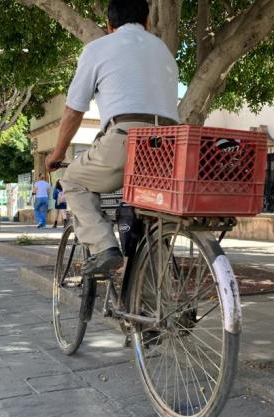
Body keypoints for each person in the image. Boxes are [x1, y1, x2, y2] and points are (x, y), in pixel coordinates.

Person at [45, 0, 179, 274]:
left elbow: (73, 110)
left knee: (72, 180)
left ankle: (104, 246)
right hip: (170, 145)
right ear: (148, 22)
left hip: (125, 139)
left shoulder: (98, 48)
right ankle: (154, 298)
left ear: (109, 25)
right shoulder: (163, 50)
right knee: (151, 217)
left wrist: (57, 154)